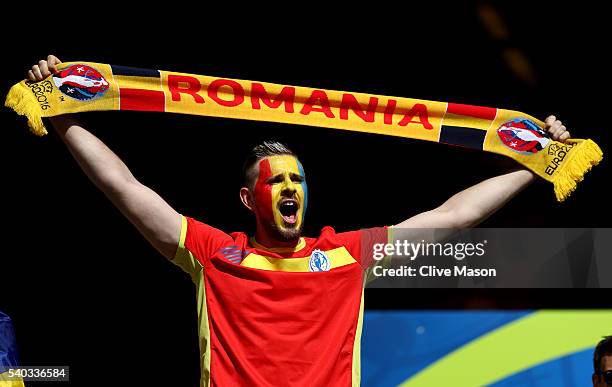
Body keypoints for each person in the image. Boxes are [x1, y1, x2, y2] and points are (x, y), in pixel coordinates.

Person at [27, 55, 572, 387]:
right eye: (276, 180)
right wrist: (61, 112)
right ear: (248, 199)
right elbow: (124, 186)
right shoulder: (213, 253)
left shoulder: (348, 257)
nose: (292, 188)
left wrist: (537, 162)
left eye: (299, 180)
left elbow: (453, 217)